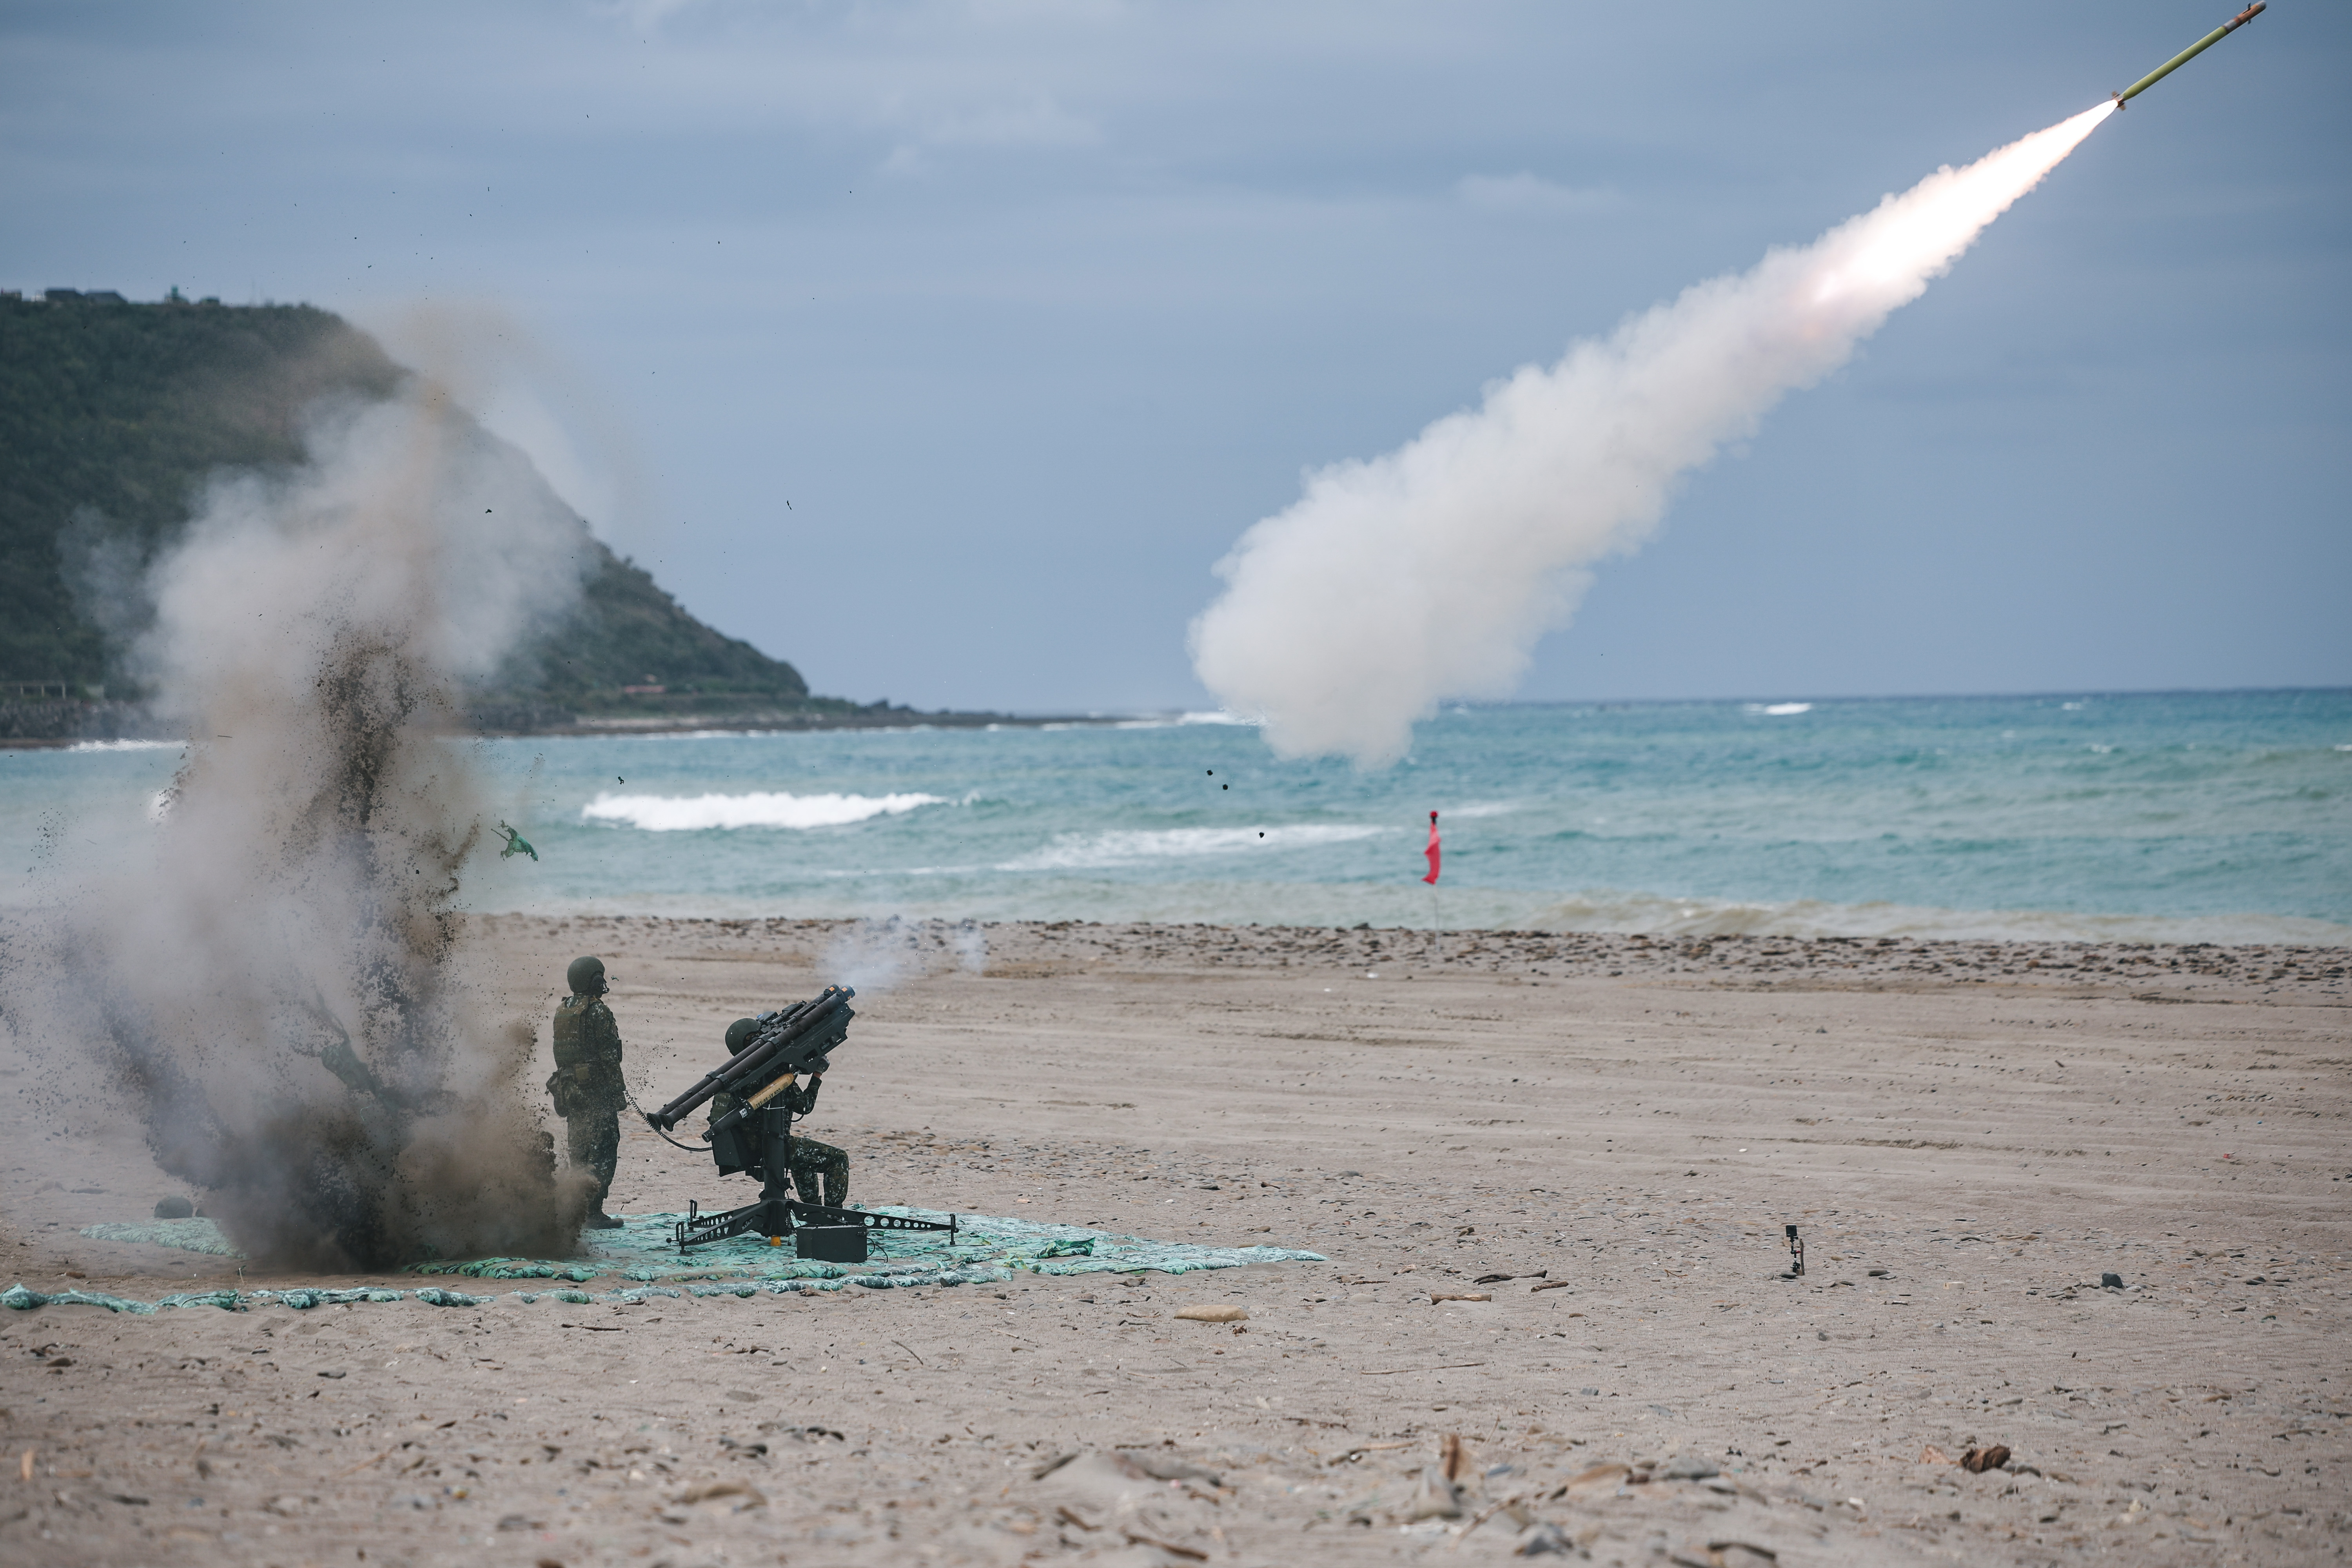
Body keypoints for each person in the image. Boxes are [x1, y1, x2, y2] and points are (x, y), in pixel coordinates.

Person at [713, 1015, 850, 1210]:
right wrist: (817, 1075)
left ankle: (813, 1210)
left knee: (803, 1157)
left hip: (751, 1147)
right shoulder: (769, 1074)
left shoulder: (739, 1073)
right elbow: (805, 1105)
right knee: (838, 1158)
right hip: (771, 1147)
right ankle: (833, 1213)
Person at [549, 956, 628, 1229]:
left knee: (579, 1149)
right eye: (600, 977)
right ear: (593, 980)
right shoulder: (598, 1011)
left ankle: (576, 1210)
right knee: (604, 1149)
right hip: (596, 1092)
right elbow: (609, 1058)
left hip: (571, 1091)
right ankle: (593, 1213)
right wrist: (619, 1094)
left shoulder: (564, 1009)